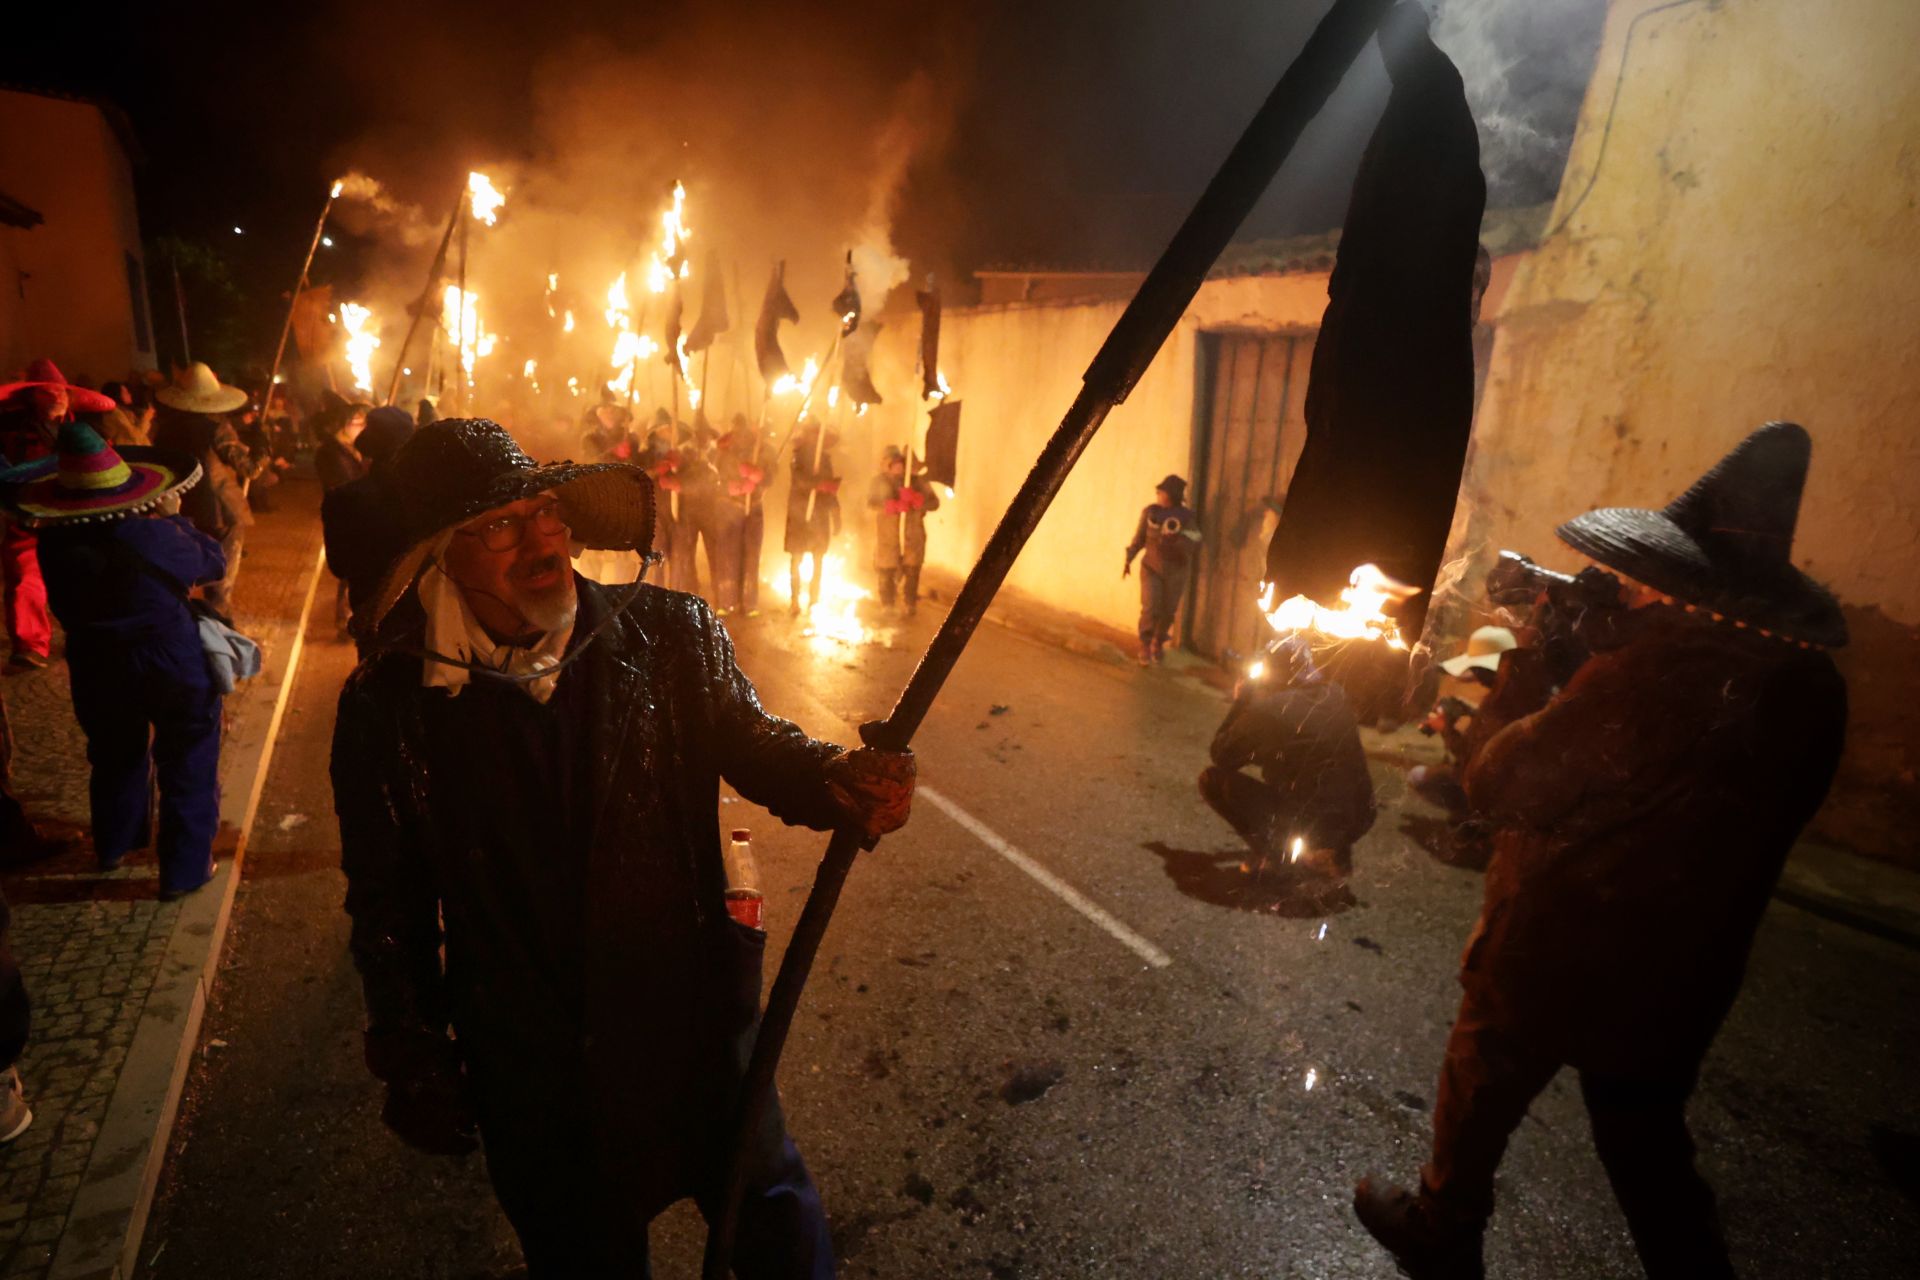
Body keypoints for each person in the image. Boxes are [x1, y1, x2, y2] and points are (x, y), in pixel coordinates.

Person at [329, 418, 914, 1276]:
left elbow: (756, 745)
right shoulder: (391, 709)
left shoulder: (671, 636)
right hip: (539, 1077)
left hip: (699, 1034)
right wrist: (414, 1054)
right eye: (499, 525)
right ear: (438, 556)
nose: (541, 541)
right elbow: (389, 903)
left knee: (782, 1242)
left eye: (546, 511)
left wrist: (839, 779)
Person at [1355, 422, 1850, 1280]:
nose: (1632, 592)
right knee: (1647, 1144)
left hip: (1560, 954)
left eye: (1647, 582)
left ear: (1690, 581)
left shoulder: (1652, 674)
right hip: (1683, 975)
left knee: (1481, 1079)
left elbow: (1503, 783)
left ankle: (1444, 1228)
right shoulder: (1808, 687)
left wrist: (1534, 671)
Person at [1, 423, 225, 900]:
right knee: (188, 754)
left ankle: (114, 845)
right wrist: (176, 520)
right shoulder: (154, 535)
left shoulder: (55, 544)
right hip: (169, 658)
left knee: (113, 752)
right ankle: (185, 869)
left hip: (96, 662)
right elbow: (213, 561)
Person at [1198, 634, 1376, 878]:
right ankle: (1334, 852)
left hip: (1314, 822)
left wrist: (1241, 702)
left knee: (1213, 781)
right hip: (1360, 817)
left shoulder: (1269, 711)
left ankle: (1279, 857)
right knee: (1315, 786)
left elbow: (1221, 755)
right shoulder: (1335, 694)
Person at [0, 360, 115, 670]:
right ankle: (30, 645)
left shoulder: (88, 431)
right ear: (32, 397)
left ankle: (89, 636)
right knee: (25, 577)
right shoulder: (11, 431)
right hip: (26, 513)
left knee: (83, 576)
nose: (57, 397)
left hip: (76, 515)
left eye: (61, 391)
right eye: (48, 392)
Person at [152, 362, 256, 615]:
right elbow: (249, 469)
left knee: (183, 576)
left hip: (180, 508)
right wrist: (261, 447)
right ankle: (220, 639)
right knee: (220, 584)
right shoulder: (217, 427)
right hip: (221, 511)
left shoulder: (165, 429)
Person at [1123, 474, 1201, 665]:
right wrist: (1129, 559)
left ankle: (1158, 641)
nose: (1158, 494)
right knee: (1150, 606)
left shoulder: (1187, 518)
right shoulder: (1151, 513)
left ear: (1171, 495)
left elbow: (1196, 540)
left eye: (1162, 491)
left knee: (1168, 610)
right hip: (1151, 567)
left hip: (1176, 571)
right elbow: (1139, 538)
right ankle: (1145, 644)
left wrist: (1178, 540)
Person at [867, 446, 942, 617]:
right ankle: (887, 603)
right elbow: (871, 503)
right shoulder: (879, 482)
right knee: (887, 570)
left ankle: (909, 602)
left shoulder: (917, 482)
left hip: (912, 533)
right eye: (894, 464)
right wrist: (889, 505)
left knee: (912, 569)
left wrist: (918, 501)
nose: (898, 468)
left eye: (901, 464)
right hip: (888, 534)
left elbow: (934, 503)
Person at [714, 413, 769, 614]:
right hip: (728, 509)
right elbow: (710, 479)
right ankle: (727, 601)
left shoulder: (760, 449)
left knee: (751, 556)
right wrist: (728, 488)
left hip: (753, 508)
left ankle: (749, 603)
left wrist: (758, 477)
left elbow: (772, 473)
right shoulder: (721, 452)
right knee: (728, 555)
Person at [784, 421, 841, 616]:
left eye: (819, 435)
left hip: (820, 514)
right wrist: (817, 484)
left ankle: (814, 599)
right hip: (799, 515)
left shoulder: (824, 459)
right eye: (813, 434)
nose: (815, 439)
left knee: (818, 559)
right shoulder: (797, 457)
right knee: (797, 558)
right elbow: (799, 480)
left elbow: (831, 489)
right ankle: (794, 601)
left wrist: (836, 514)